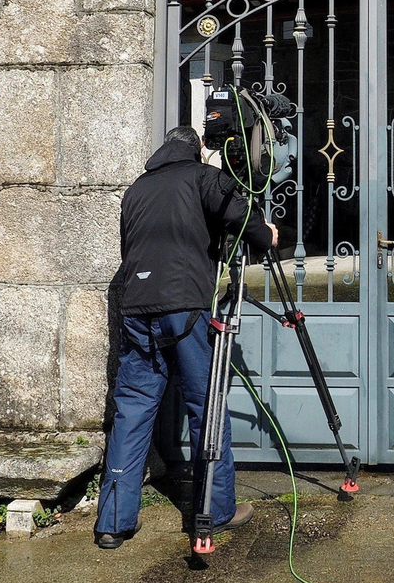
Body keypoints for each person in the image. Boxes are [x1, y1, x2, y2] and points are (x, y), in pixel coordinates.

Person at [94, 124, 278, 549]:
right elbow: (240, 214)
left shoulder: (136, 190)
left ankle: (112, 524)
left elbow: (130, 249)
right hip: (185, 310)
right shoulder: (202, 177)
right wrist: (265, 235)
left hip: (138, 308)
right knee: (204, 403)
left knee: (133, 409)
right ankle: (215, 511)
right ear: (196, 149)